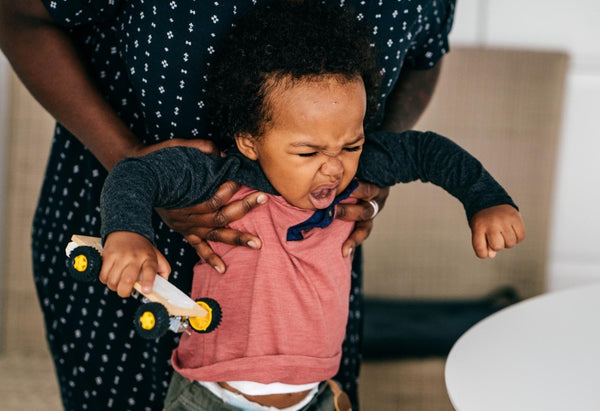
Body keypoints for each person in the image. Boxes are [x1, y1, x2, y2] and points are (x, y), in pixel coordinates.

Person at [0, 0, 457, 409]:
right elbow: (18, 14)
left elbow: (425, 54)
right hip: (131, 255)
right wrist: (126, 165)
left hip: (310, 287)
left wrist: (373, 161)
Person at [98, 3, 524, 410]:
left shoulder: (359, 172)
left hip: (315, 397)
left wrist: (486, 199)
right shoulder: (219, 176)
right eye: (307, 153)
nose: (334, 168)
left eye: (351, 144)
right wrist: (128, 232)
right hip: (212, 400)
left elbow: (429, 151)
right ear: (250, 141)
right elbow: (136, 174)